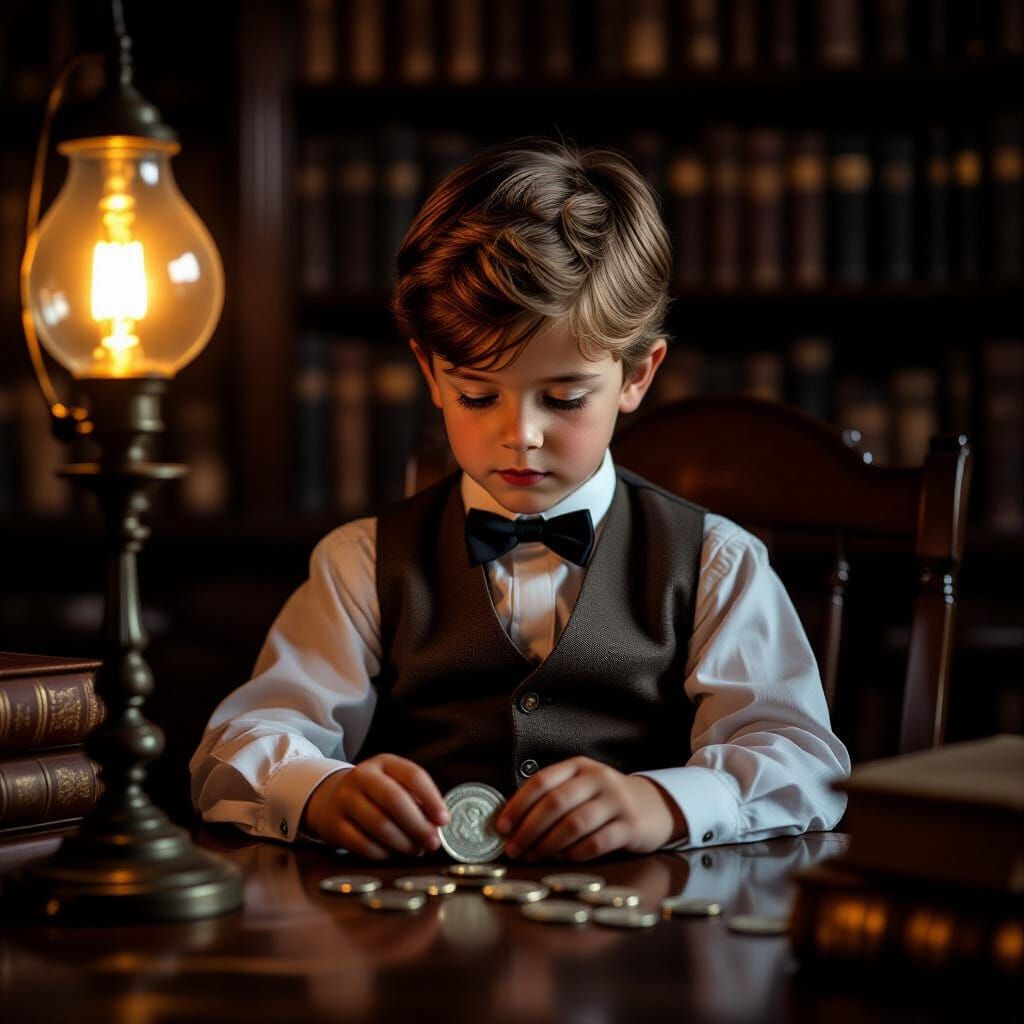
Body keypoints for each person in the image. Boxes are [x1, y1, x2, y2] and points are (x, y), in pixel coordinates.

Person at [190, 138, 850, 862]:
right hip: (419, 937)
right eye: (477, 395)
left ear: (637, 375)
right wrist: (319, 791)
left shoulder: (716, 563)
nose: (521, 436)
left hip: (643, 939)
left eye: (564, 398)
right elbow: (234, 750)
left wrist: (664, 802)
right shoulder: (363, 562)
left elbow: (803, 762)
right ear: (431, 375)